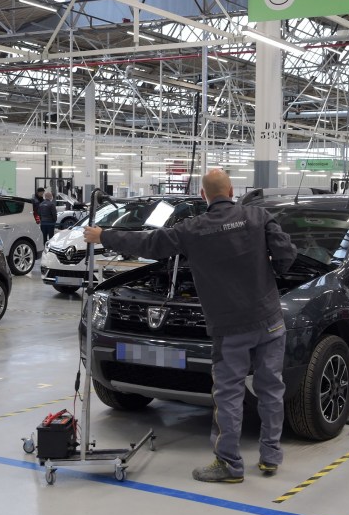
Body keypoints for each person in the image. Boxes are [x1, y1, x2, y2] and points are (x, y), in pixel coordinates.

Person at [84, 169, 296, 483]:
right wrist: (268, 277)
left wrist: (102, 235)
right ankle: (270, 457)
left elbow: (149, 244)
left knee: (228, 395)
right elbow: (287, 254)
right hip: (269, 321)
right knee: (270, 390)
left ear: (203, 196)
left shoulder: (193, 229)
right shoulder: (258, 217)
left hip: (230, 328)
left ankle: (229, 464)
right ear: (232, 190)